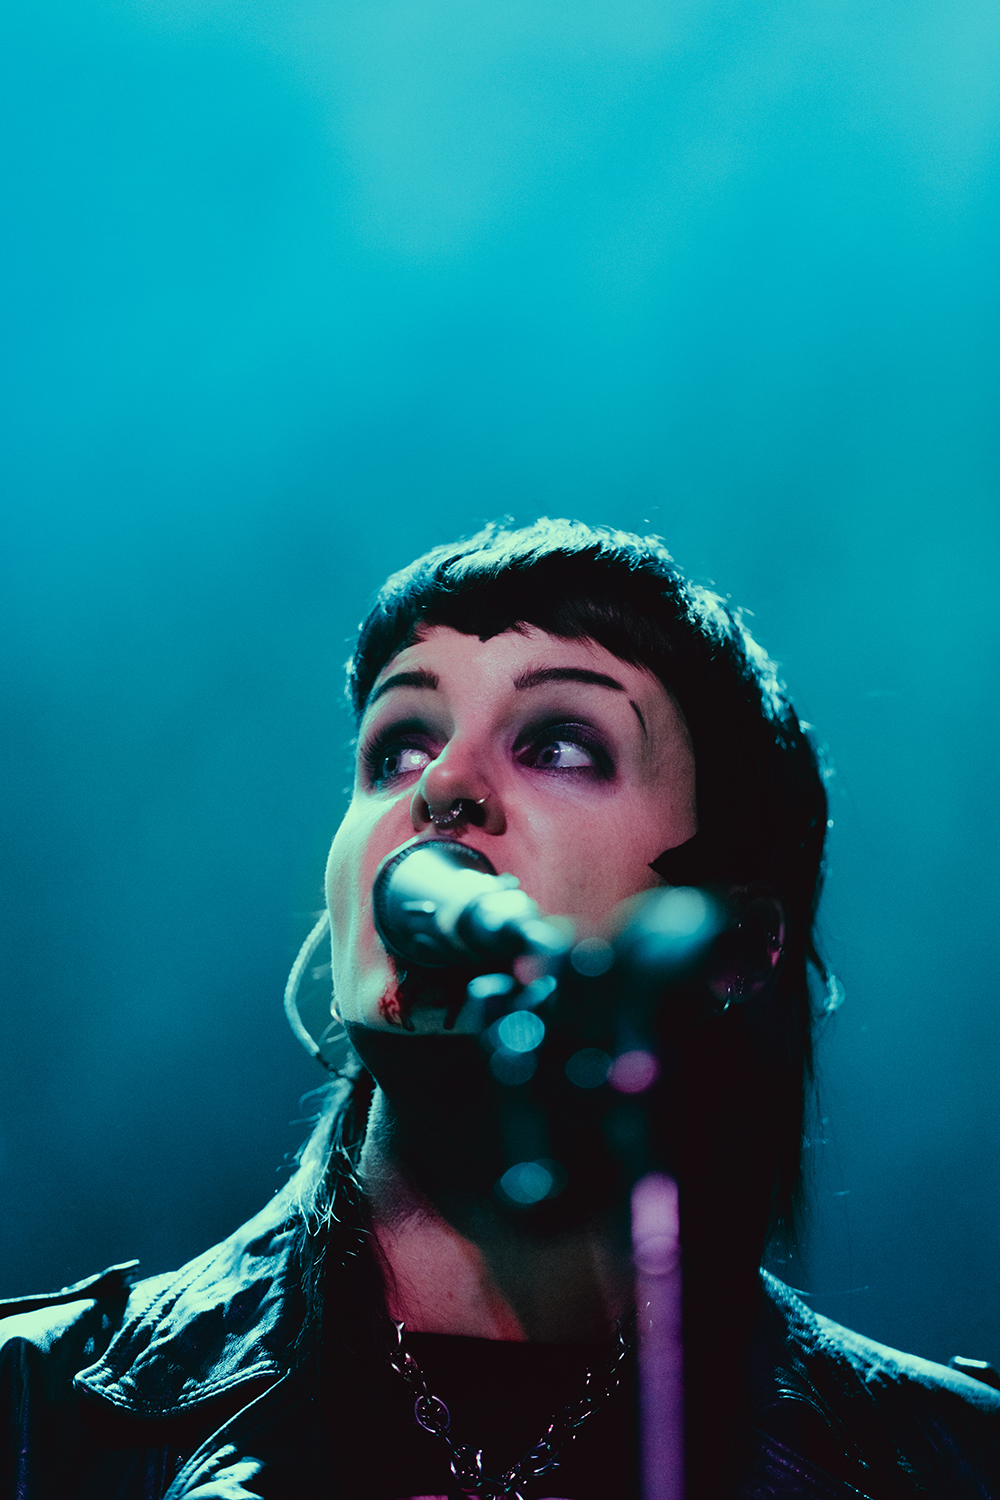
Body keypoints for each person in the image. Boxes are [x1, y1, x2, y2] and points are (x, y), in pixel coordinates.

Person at [2, 518, 998, 1500]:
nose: (442, 786)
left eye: (560, 746)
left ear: (729, 949)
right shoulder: (30, 1414)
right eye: (398, 748)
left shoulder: (955, 1463)